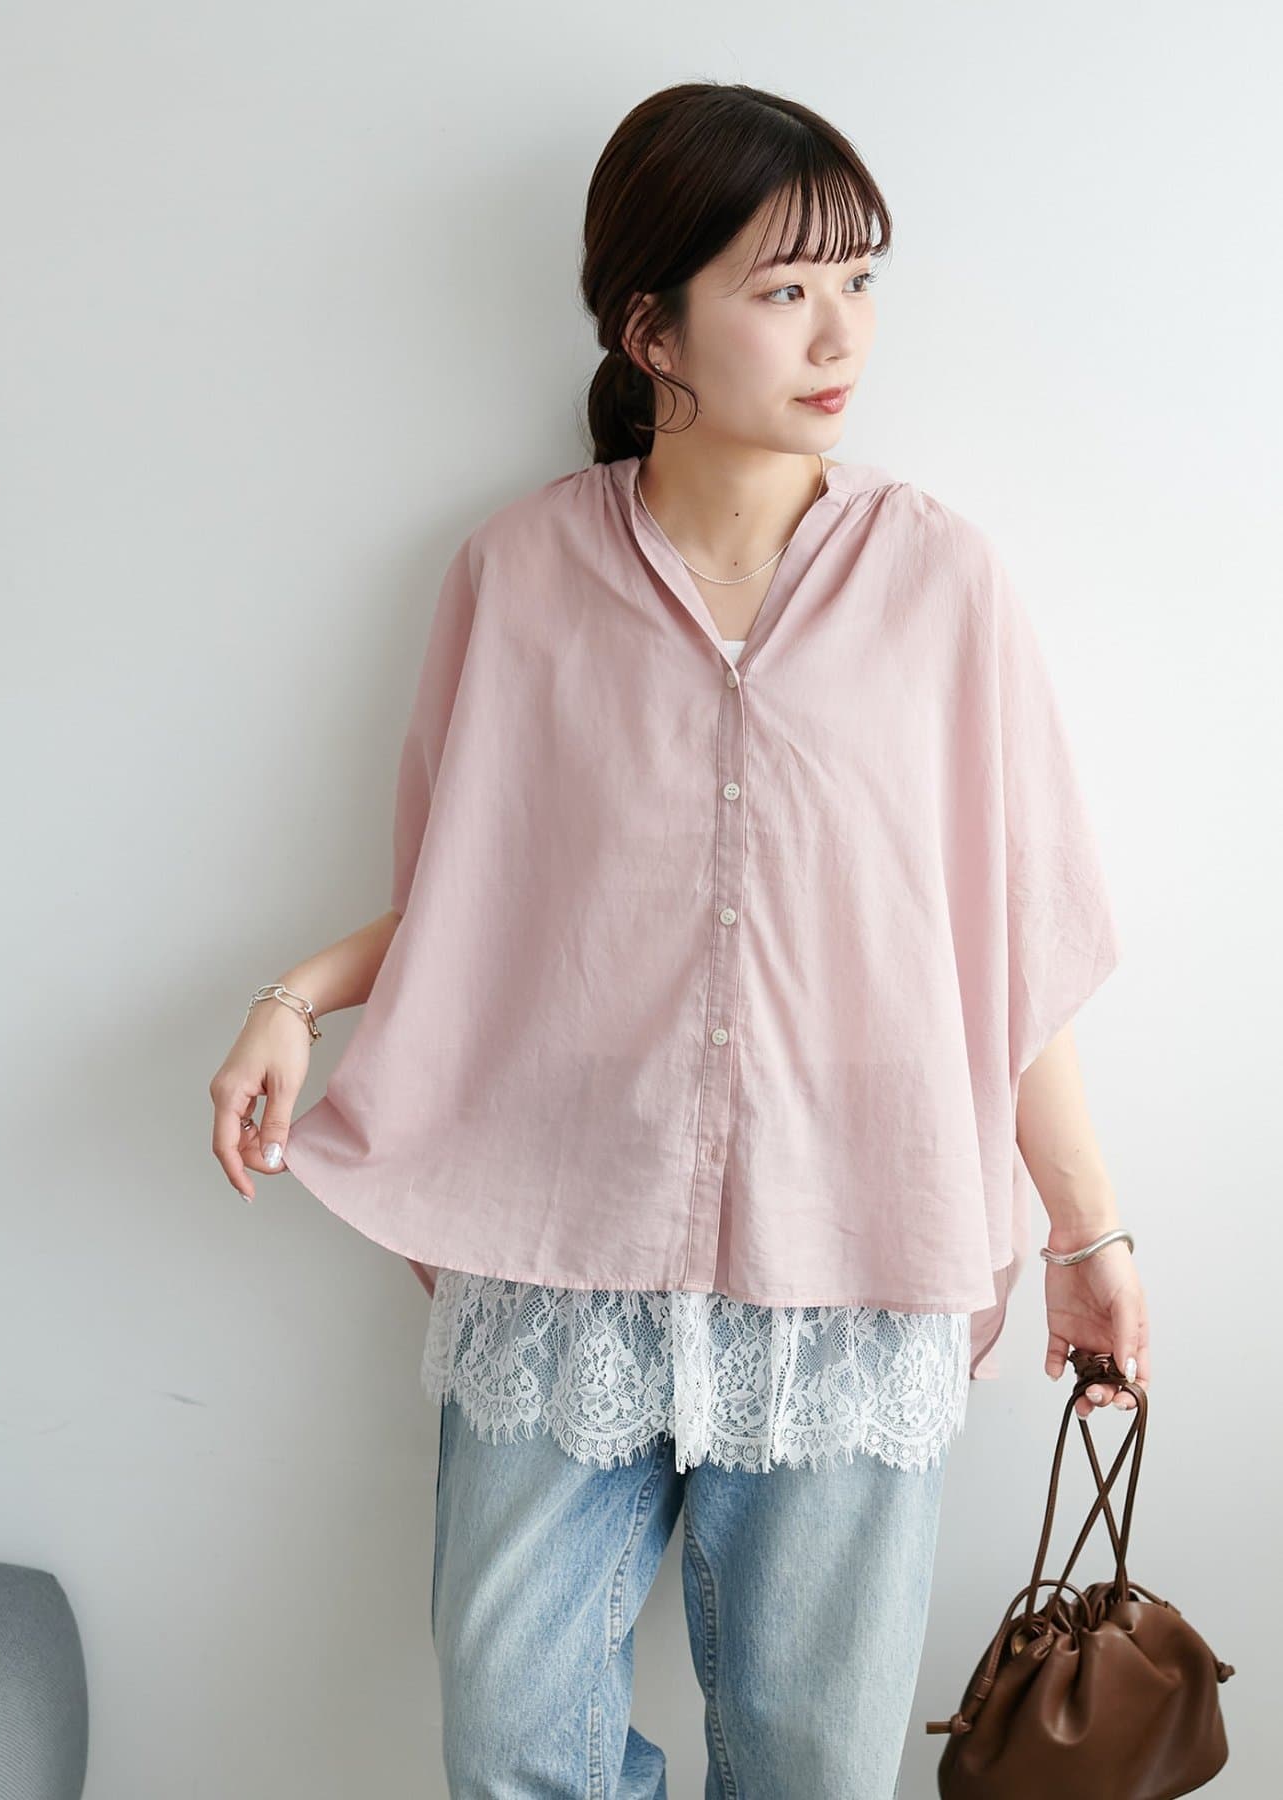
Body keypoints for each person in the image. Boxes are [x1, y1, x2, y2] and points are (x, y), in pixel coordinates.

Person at [208, 80, 1150, 1800]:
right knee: (514, 1746)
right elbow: (492, 905)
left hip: (853, 1245)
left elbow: (1002, 948)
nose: (841, 333)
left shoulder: (941, 584)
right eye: (783, 290)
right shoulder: (518, 574)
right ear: (652, 330)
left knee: (813, 1763)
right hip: (565, 1235)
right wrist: (299, 997)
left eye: (858, 280)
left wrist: (1090, 1233)